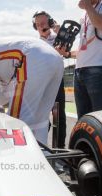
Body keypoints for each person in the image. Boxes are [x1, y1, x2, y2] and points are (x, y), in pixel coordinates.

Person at [0, 37, 64, 145]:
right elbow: (3, 95)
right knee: (40, 120)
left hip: (32, 55)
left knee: (16, 121)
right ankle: (42, 155)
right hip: (55, 57)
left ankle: (17, 158)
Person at [57, 0, 102, 118]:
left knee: (99, 118)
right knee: (83, 118)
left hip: (97, 68)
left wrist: (87, 5)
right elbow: (84, 47)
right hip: (79, 70)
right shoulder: (85, 13)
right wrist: (67, 53)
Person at [33, 11, 67, 148]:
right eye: (37, 24)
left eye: (43, 23)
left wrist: (60, 31)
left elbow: (66, 48)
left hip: (57, 80)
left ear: (50, 23)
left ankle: (60, 148)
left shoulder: (58, 37)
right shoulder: (34, 43)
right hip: (41, 82)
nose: (41, 26)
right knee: (40, 116)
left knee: (59, 116)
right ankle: (39, 146)